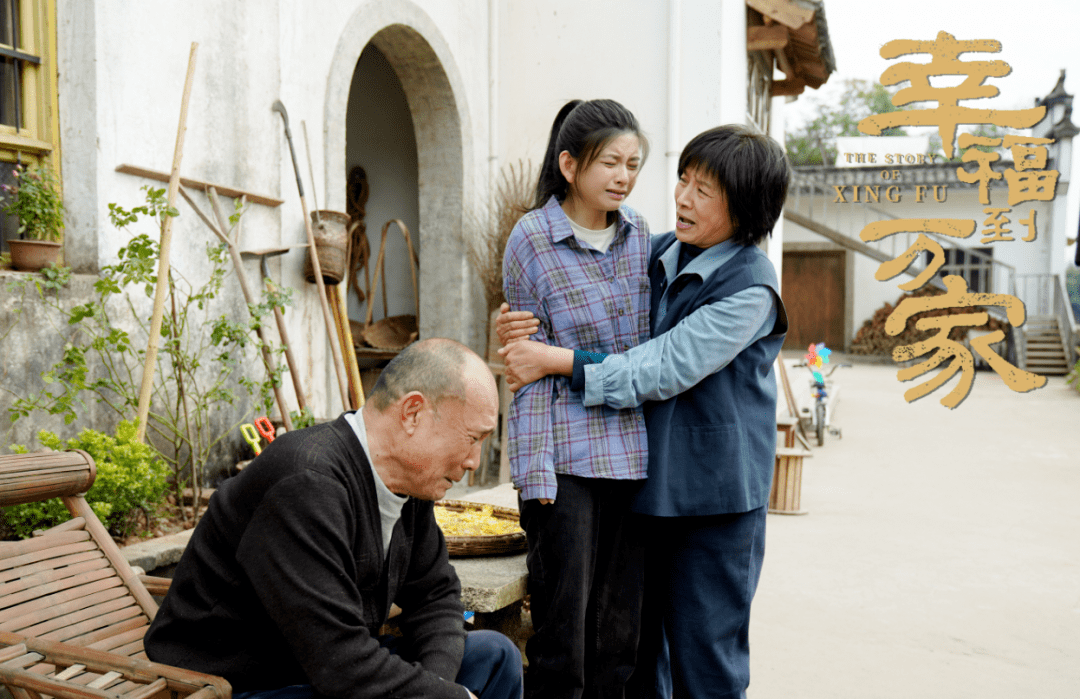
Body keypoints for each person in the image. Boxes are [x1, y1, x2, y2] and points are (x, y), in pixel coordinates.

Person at [497, 124, 790, 699]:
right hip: (648, 488)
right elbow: (584, 300)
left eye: (705, 192)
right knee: (636, 657)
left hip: (715, 502)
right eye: (683, 180)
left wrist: (557, 360)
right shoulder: (653, 252)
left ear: (746, 208)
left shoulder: (750, 289)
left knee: (706, 661)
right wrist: (514, 325)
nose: (682, 198)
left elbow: (660, 367)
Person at [144, 338, 522, 699]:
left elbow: (436, 595)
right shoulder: (304, 482)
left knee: (494, 656)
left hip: (321, 669)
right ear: (413, 413)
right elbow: (341, 666)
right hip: (239, 684)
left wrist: (438, 683)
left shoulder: (409, 484)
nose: (474, 462)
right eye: (473, 438)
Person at [502, 98, 651, 699]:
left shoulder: (643, 237)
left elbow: (648, 351)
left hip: (631, 453)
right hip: (561, 455)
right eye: (610, 162)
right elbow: (522, 355)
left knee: (619, 639)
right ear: (569, 164)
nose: (623, 176)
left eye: (634, 164)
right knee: (563, 641)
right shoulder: (531, 239)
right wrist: (533, 474)